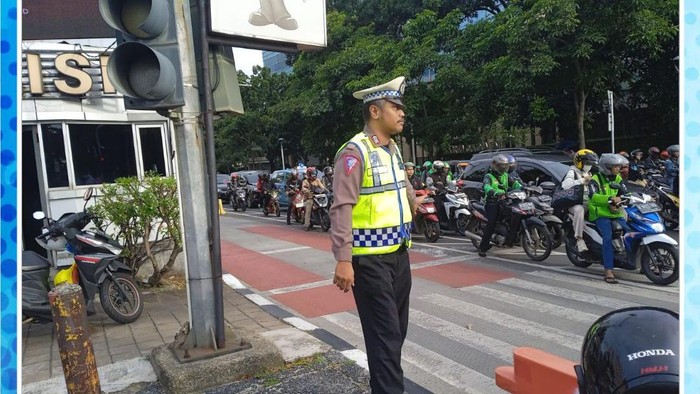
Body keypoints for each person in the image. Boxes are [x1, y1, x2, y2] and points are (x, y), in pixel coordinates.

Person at [329, 76, 416, 394]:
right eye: (396, 107)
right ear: (375, 112)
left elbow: (395, 185)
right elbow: (341, 207)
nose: (402, 113)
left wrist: (411, 197)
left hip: (398, 255)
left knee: (395, 334)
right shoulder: (354, 152)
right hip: (369, 260)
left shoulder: (392, 150)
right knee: (385, 337)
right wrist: (343, 259)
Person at [588, 153, 631, 284]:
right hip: (600, 213)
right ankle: (608, 270)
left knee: (631, 232)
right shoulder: (595, 179)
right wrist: (609, 199)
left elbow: (625, 192)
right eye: (616, 167)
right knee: (607, 238)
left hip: (616, 212)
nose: (619, 169)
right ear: (607, 167)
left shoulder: (617, 178)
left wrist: (629, 198)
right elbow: (593, 196)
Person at [477, 154, 522, 257]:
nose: (503, 168)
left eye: (505, 166)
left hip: (504, 201)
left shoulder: (506, 175)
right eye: (501, 166)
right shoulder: (489, 176)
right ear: (494, 165)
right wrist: (495, 192)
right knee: (491, 223)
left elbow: (515, 184)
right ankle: (483, 247)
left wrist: (524, 187)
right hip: (491, 202)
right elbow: (487, 187)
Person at [561, 149, 598, 253]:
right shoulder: (572, 171)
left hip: (588, 201)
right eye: (587, 163)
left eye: (590, 164)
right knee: (579, 210)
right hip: (575, 202)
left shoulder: (589, 172)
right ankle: (579, 239)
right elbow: (565, 185)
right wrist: (581, 181)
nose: (589, 165)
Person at [301, 167, 326, 231]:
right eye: (312, 174)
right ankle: (306, 225)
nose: (314, 175)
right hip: (310, 198)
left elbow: (322, 187)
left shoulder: (317, 180)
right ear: (309, 174)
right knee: (308, 210)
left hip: (318, 197)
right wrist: (307, 191)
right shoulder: (305, 181)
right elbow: (303, 189)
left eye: (314, 173)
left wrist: (325, 190)